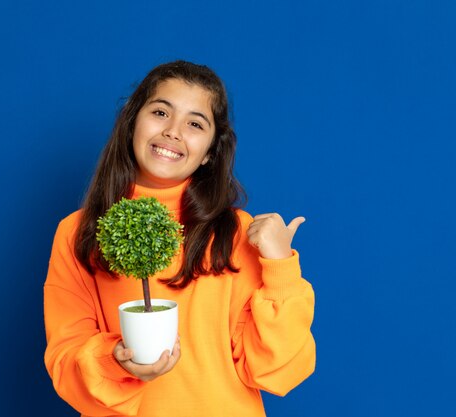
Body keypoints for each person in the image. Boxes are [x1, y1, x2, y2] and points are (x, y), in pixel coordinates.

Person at [44, 60, 315, 416]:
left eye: (194, 124)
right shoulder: (78, 233)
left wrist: (280, 269)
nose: (173, 131)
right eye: (160, 112)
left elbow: (275, 371)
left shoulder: (234, 234)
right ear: (131, 125)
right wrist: (116, 362)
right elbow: (65, 360)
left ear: (210, 153)